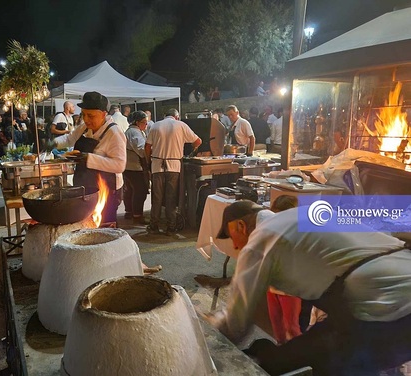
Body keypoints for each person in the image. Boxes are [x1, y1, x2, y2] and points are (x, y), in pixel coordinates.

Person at [204, 199, 411, 375]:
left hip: (382, 309)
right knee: (297, 353)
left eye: (232, 238)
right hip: (393, 290)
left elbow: (236, 323)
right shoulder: (301, 215)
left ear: (241, 226)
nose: (236, 246)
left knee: (297, 361)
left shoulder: (261, 240)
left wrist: (204, 334)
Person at [52, 91, 126, 224]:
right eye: (84, 114)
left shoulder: (114, 133)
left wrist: (88, 158)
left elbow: (119, 165)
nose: (86, 119)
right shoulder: (84, 127)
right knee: (86, 222)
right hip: (85, 185)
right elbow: (69, 138)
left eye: (91, 116)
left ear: (104, 114)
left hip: (107, 189)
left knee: (104, 226)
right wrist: (52, 143)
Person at [145, 108, 201, 236]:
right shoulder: (181, 125)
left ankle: (153, 225)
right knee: (171, 197)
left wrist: (149, 162)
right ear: (177, 116)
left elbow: (147, 147)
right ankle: (171, 227)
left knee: (157, 197)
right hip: (174, 167)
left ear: (165, 116)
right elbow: (198, 141)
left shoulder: (155, 125)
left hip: (157, 166)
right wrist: (192, 152)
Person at [266, 195, 302, 345]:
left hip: (289, 290)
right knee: (277, 326)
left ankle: (298, 358)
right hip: (271, 286)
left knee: (292, 328)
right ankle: (281, 352)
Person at [123, 111, 149, 225]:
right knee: (140, 191)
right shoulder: (135, 132)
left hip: (128, 166)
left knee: (130, 190)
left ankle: (129, 212)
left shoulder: (131, 131)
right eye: (144, 122)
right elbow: (141, 150)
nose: (146, 125)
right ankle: (137, 215)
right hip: (134, 167)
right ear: (137, 122)